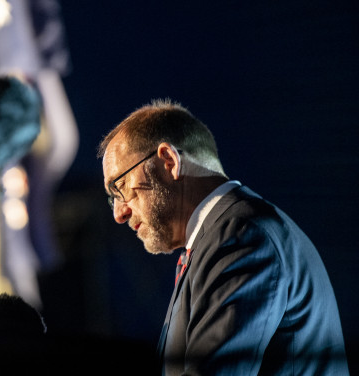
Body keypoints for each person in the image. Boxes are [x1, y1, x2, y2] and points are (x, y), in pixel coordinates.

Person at [98, 99, 349, 375]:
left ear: (169, 161)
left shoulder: (242, 237)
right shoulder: (222, 237)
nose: (119, 214)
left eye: (120, 187)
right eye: (113, 200)